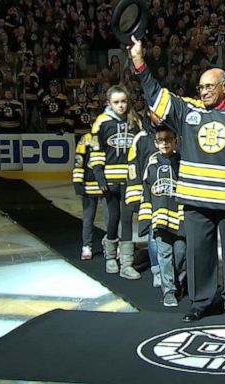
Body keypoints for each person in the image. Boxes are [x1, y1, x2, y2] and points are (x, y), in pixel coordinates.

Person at [129, 35, 225, 321]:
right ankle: (200, 302)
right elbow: (156, 94)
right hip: (194, 199)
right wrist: (138, 62)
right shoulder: (187, 111)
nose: (204, 91)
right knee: (198, 254)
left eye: (210, 86)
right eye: (201, 87)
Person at [89, 85, 141, 280]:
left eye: (124, 101)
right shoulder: (101, 123)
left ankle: (126, 263)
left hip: (130, 180)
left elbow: (140, 150)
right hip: (109, 181)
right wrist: (99, 175)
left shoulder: (135, 121)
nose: (121, 105)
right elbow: (95, 150)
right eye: (116, 102)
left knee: (127, 219)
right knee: (113, 217)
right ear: (109, 103)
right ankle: (110, 256)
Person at [138, 126, 186, 307]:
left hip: (179, 219)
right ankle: (169, 291)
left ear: (175, 141)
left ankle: (179, 283)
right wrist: (145, 219)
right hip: (159, 218)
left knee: (181, 254)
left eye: (169, 139)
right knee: (164, 254)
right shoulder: (151, 165)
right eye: (161, 140)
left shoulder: (182, 163)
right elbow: (146, 193)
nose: (165, 143)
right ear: (155, 143)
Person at [125, 107, 162, 288]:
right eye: (156, 112)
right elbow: (133, 168)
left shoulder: (176, 133)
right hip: (149, 196)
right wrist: (134, 197)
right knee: (154, 234)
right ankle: (157, 270)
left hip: (172, 194)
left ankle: (172, 270)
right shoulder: (141, 138)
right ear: (149, 114)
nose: (160, 115)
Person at [72, 132, 109, 260]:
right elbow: (78, 160)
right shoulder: (85, 139)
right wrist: (77, 181)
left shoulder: (108, 135)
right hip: (89, 186)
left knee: (110, 218)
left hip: (106, 185)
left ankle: (111, 245)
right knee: (88, 219)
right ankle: (87, 246)